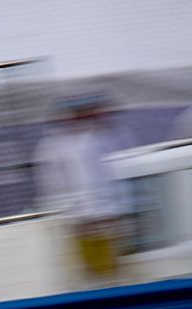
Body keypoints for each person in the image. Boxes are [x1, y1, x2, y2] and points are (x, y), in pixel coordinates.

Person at [33, 94, 135, 281]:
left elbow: (123, 172)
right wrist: (71, 214)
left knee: (113, 270)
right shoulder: (55, 144)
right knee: (92, 273)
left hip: (109, 215)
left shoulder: (109, 137)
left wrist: (121, 209)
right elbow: (53, 182)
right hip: (82, 219)